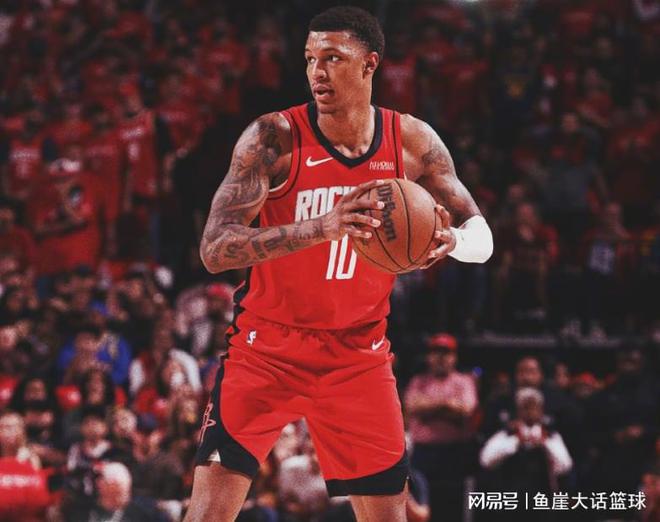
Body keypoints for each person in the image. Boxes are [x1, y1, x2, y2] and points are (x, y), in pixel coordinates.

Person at [187, 7, 493, 522]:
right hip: (267, 348)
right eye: (310, 59)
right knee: (207, 515)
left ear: (370, 63)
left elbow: (481, 238)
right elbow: (215, 248)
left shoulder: (411, 141)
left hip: (358, 355)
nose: (317, 73)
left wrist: (450, 241)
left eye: (333, 58)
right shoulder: (273, 137)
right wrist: (322, 227)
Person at [404, 333, 478, 522]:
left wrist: (428, 410)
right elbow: (412, 406)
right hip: (423, 454)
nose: (441, 358)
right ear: (429, 357)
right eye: (436, 352)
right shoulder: (418, 381)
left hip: (454, 453)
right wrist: (448, 405)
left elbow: (466, 409)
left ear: (454, 357)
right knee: (421, 507)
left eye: (446, 353)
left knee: (452, 508)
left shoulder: (464, 381)